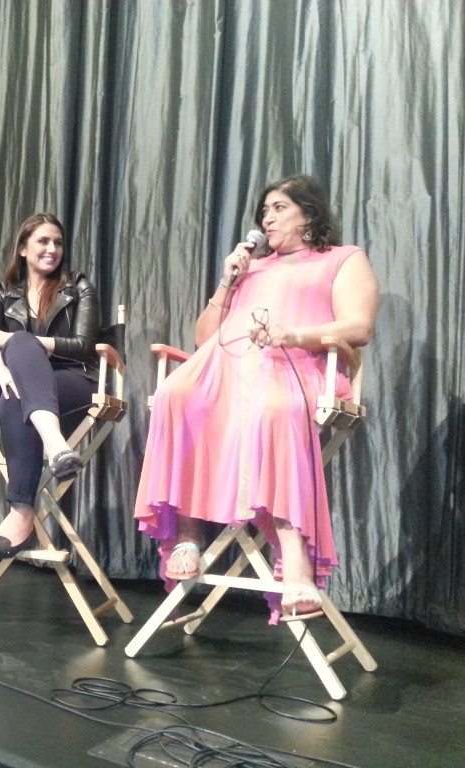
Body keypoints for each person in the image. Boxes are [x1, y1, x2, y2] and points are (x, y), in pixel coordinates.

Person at [134, 174, 379, 620]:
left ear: (309, 214)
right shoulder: (252, 267)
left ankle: (296, 564)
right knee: (176, 392)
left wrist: (294, 335)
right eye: (264, 210)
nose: (267, 217)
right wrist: (228, 283)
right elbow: (206, 338)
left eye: (279, 207)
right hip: (231, 369)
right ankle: (188, 536)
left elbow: (358, 327)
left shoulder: (343, 259)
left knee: (271, 406)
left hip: (299, 367)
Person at [0, 213, 102, 560]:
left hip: (72, 380)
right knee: (14, 383)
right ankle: (56, 447)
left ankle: (20, 515)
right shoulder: (3, 294)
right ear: (22, 249)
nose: (52, 249)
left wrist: (23, 341)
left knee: (20, 352)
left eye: (58, 242)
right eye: (43, 241)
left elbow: (84, 346)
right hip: (10, 380)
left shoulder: (79, 286)